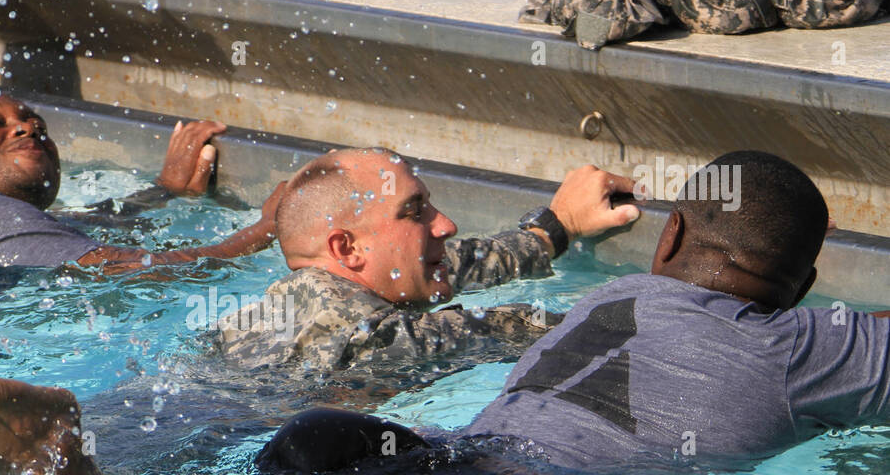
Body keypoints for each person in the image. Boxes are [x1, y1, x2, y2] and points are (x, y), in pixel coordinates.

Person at [268, 150, 890, 475]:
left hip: (433, 457)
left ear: (667, 237)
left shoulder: (600, 300)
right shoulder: (802, 348)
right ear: (805, 288)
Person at [213, 148, 639, 371]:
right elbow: (508, 326)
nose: (446, 225)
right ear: (346, 248)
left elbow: (448, 262)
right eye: (414, 212)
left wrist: (555, 226)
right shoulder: (365, 344)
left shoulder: (261, 315)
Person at [0, 90, 278, 272]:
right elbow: (129, 268)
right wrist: (267, 228)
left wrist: (164, 191)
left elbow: (92, 227)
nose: (26, 130)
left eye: (38, 125)